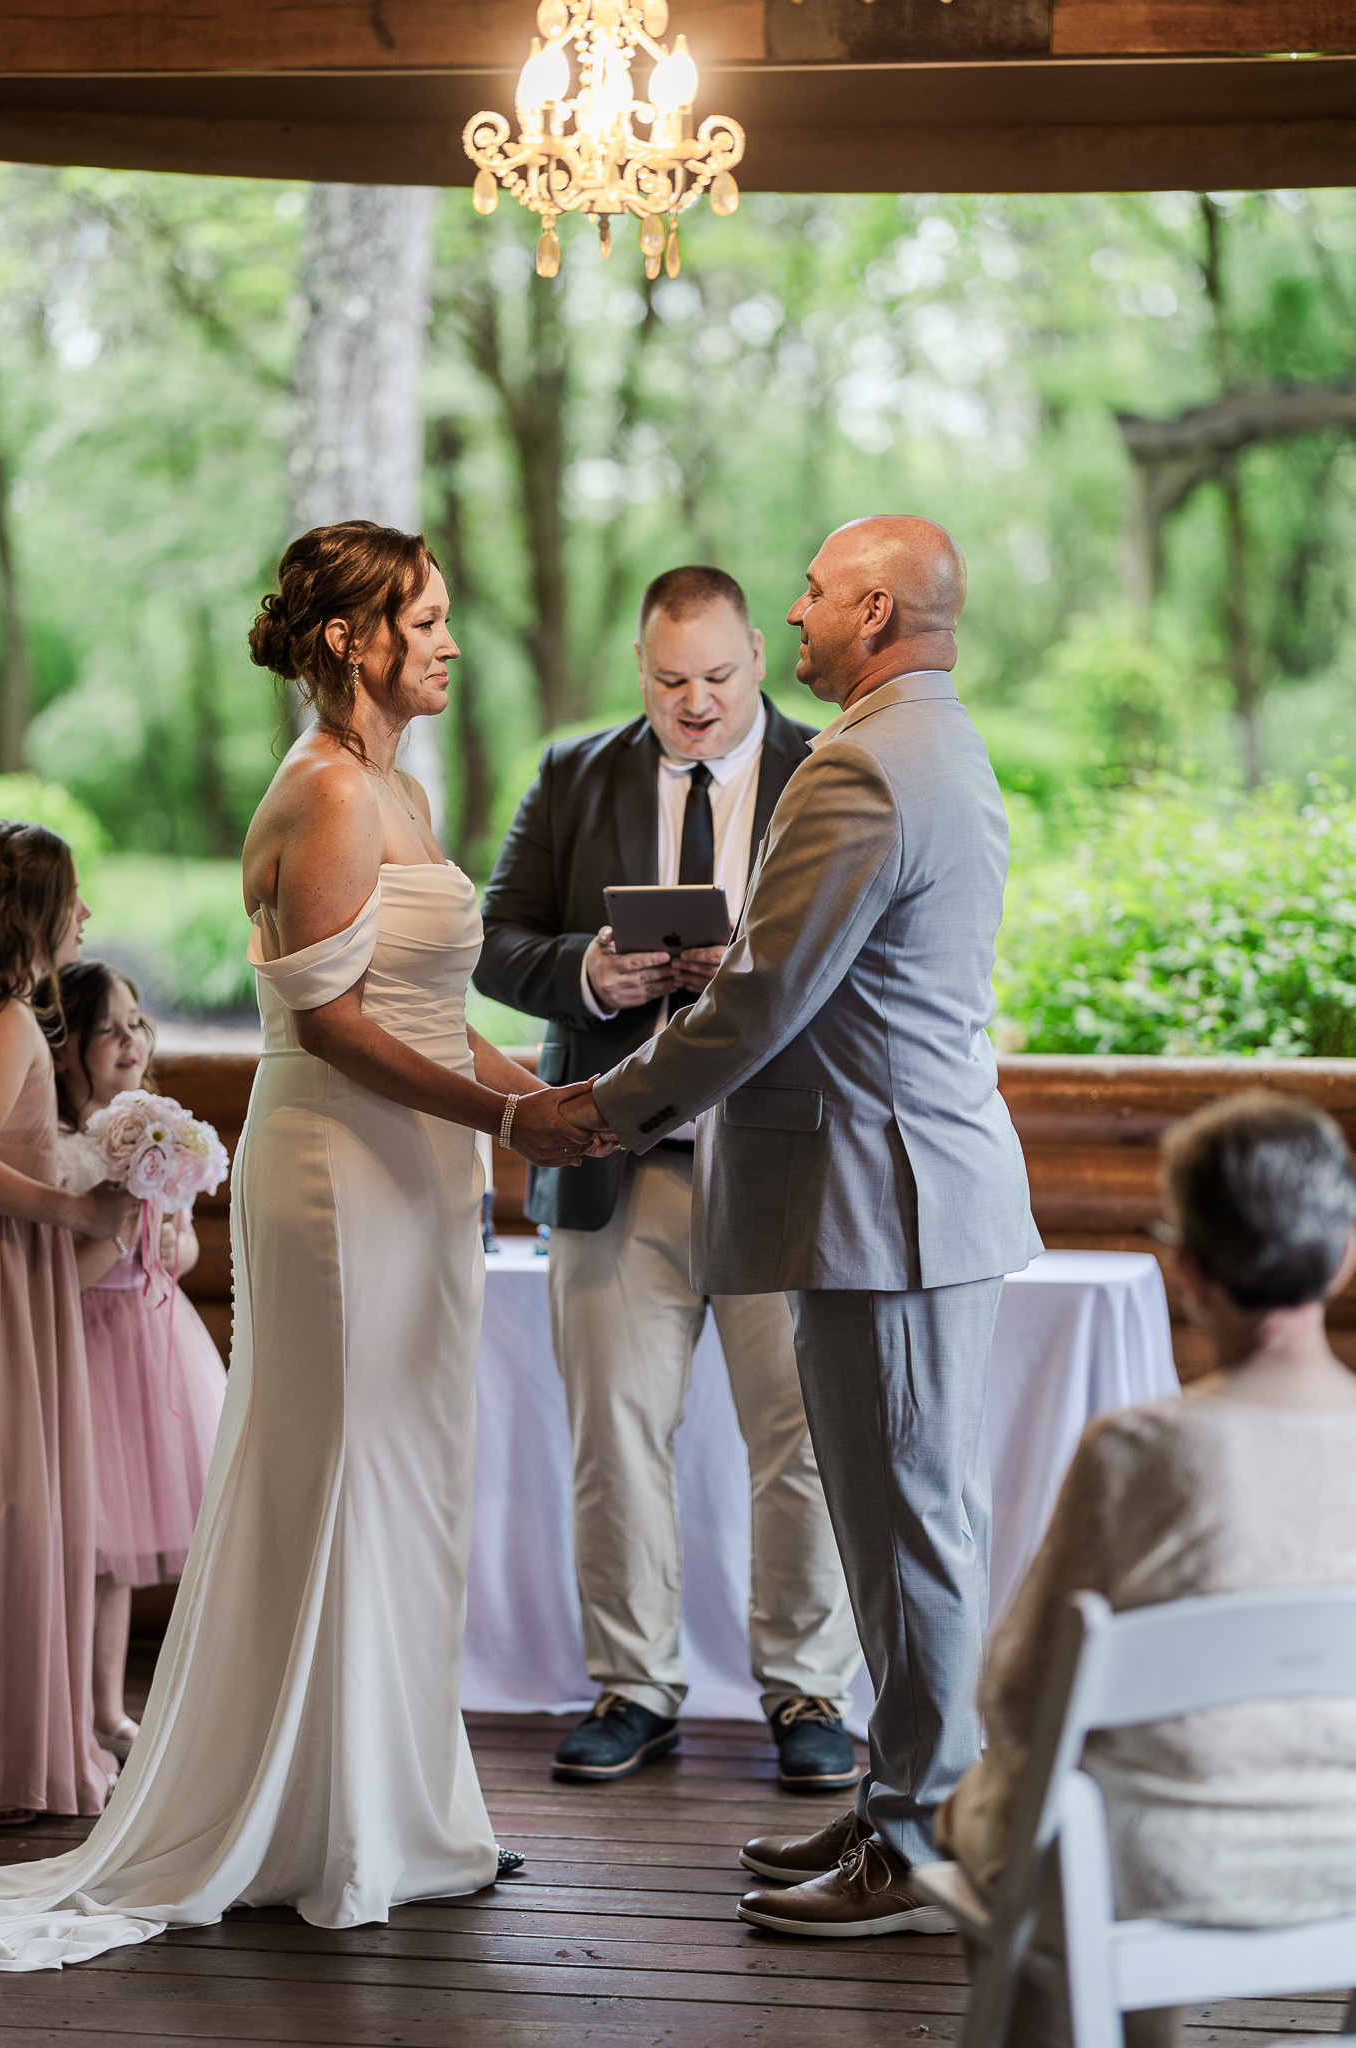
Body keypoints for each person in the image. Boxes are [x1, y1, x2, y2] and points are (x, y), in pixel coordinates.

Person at [0, 519, 607, 1971]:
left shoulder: (398, 782)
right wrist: (509, 1127)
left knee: (404, 1477)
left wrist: (542, 1096)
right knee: (336, 1473)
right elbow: (330, 1024)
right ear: (351, 639)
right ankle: (315, 1822)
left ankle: (393, 1803)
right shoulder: (327, 793)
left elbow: (426, 1007)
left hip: (415, 1170)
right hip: (336, 1177)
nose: (453, 641)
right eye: (429, 618)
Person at [564, 516, 1043, 1935]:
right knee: (906, 1524)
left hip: (878, 1203)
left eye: (820, 596)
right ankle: (899, 1801)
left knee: (907, 1534)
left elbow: (766, 999)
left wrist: (604, 1108)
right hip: (900, 1193)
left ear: (878, 608)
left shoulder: (860, 766)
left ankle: (920, 1842)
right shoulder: (937, 741)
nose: (799, 612)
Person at [477, 565, 862, 1790]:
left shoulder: (834, 770)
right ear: (637, 665)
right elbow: (490, 938)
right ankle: (632, 1684)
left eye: (716, 676)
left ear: (758, 653)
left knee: (799, 1438)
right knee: (614, 1432)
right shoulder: (571, 772)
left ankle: (808, 1691)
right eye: (667, 679)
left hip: (781, 1157)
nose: (693, 705)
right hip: (614, 1166)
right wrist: (592, 973)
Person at [937, 1089, 1356, 2048]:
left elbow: (1019, 1694)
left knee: (1001, 1814)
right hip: (1341, 1850)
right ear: (1340, 1259)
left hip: (1152, 1859)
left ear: (1188, 1271)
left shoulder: (1142, 1449)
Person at [0, 821, 136, 1828]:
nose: (85, 913)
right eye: (71, 897)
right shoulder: (5, 1021)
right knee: (17, 1511)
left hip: (22, 1268)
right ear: (35, 913)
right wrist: (76, 1211)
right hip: (5, 1270)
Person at [51, 961, 228, 1771]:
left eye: (136, 1024)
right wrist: (119, 1227)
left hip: (149, 1344)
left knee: (117, 1551)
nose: (130, 1040)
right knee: (72, 1539)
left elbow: (184, 1246)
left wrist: (171, 1238)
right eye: (108, 1029)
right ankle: (50, 1704)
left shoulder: (159, 1127)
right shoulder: (62, 1147)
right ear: (69, 1050)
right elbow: (57, 1280)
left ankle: (104, 1706)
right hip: (80, 1344)